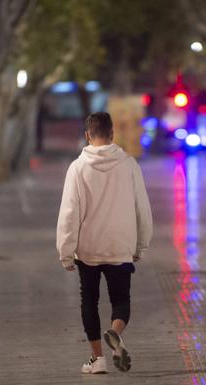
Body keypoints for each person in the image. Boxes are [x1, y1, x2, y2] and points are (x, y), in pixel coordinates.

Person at [56, 112, 153, 374]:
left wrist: (66, 252)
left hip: (88, 248)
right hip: (120, 246)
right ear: (112, 134)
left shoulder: (77, 168)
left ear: (88, 135)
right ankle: (115, 331)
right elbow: (141, 207)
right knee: (121, 300)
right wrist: (141, 244)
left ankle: (97, 359)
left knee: (89, 301)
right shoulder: (129, 165)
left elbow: (69, 212)